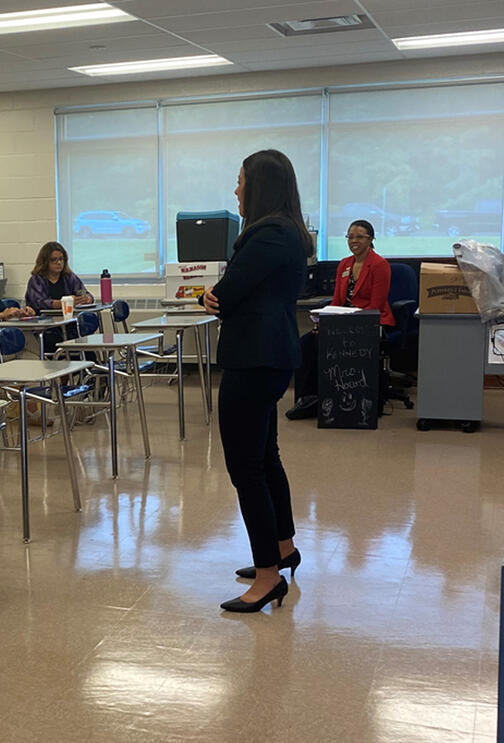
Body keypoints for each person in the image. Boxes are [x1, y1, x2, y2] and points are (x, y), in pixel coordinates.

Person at [201, 149, 310, 613]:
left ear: (259, 186)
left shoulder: (267, 234)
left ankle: (268, 576)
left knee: (245, 467)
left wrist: (212, 295)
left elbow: (227, 294)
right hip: (271, 355)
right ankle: (282, 549)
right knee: (265, 457)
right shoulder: (288, 232)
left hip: (254, 359)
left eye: (241, 181)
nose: (236, 190)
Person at [286, 219, 394, 420]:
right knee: (306, 343)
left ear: (370, 239)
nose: (354, 241)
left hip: (370, 322)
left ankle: (331, 398)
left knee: (322, 343)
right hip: (341, 322)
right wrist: (323, 321)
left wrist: (346, 322)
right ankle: (307, 399)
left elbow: (376, 306)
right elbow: (337, 301)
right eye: (350, 237)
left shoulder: (380, 265)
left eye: (359, 237)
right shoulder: (344, 264)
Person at [24, 241, 94, 312]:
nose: (59, 262)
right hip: (44, 317)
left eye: (61, 259)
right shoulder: (36, 280)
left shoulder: (69, 277)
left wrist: (87, 299)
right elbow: (38, 303)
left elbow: (85, 293)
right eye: (54, 260)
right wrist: (64, 303)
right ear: (45, 262)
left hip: (69, 316)